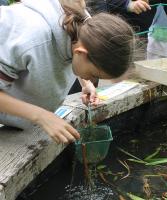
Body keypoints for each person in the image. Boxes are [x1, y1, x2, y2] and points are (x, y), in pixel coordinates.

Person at [0, 0, 134, 144]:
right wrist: (41, 116)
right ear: (81, 53)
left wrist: (86, 82)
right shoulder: (31, 40)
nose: (93, 79)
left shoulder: (85, 27)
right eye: (94, 75)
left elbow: (76, 55)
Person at [87, 0, 167, 56]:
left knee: (137, 80)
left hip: (141, 39)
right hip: (117, 38)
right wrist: (129, 4)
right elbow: (104, 2)